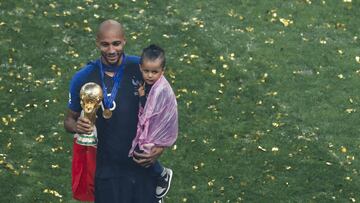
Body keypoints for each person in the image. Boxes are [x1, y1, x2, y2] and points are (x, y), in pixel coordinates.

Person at [64, 19, 165, 203]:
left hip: (140, 164)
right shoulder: (83, 77)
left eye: (116, 44)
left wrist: (158, 149)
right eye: (105, 44)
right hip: (106, 170)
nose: (111, 50)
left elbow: (165, 111)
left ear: (124, 41)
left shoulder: (141, 68)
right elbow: (68, 121)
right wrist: (77, 125)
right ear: (97, 43)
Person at [129, 44, 178, 199]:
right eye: (146, 71)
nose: (150, 75)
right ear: (140, 68)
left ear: (162, 71)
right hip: (151, 126)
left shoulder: (160, 89)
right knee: (140, 156)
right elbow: (146, 106)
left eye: (154, 72)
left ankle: (162, 174)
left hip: (158, 128)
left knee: (142, 154)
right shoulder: (149, 85)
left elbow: (153, 112)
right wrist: (142, 95)